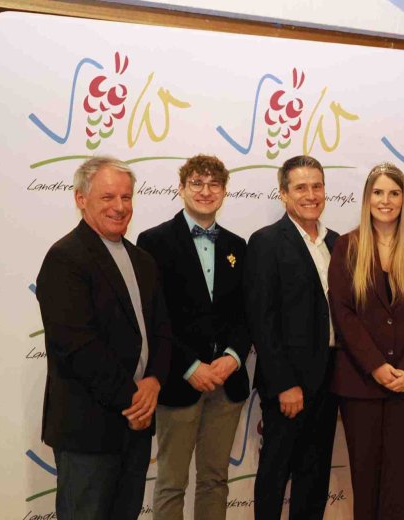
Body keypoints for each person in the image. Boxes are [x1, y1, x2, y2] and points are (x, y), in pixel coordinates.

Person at [35, 156, 172, 520]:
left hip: (135, 428)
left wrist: (155, 380)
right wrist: (135, 402)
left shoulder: (142, 259)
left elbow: (160, 330)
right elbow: (77, 348)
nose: (120, 207)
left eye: (126, 197)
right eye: (108, 197)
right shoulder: (65, 258)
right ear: (81, 199)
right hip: (89, 429)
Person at [137, 155, 249, 520]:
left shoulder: (238, 245)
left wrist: (233, 357)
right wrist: (189, 366)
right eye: (197, 183)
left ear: (224, 192)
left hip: (226, 383)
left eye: (214, 184)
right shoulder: (153, 241)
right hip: (178, 380)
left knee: (215, 480)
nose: (206, 191)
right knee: (171, 482)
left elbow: (246, 313)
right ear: (181, 188)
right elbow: (156, 317)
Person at [328, 163, 404, 519]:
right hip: (361, 383)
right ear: (366, 198)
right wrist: (376, 366)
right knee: (366, 477)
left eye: (394, 193)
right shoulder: (347, 246)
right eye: (378, 192)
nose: (386, 200)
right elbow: (343, 313)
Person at [245, 155, 339, 520]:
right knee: (275, 472)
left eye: (317, 186)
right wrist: (285, 383)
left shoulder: (337, 243)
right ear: (283, 194)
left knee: (314, 475)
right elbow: (261, 320)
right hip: (289, 385)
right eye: (301, 187)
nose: (311, 194)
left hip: (330, 379)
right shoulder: (266, 242)